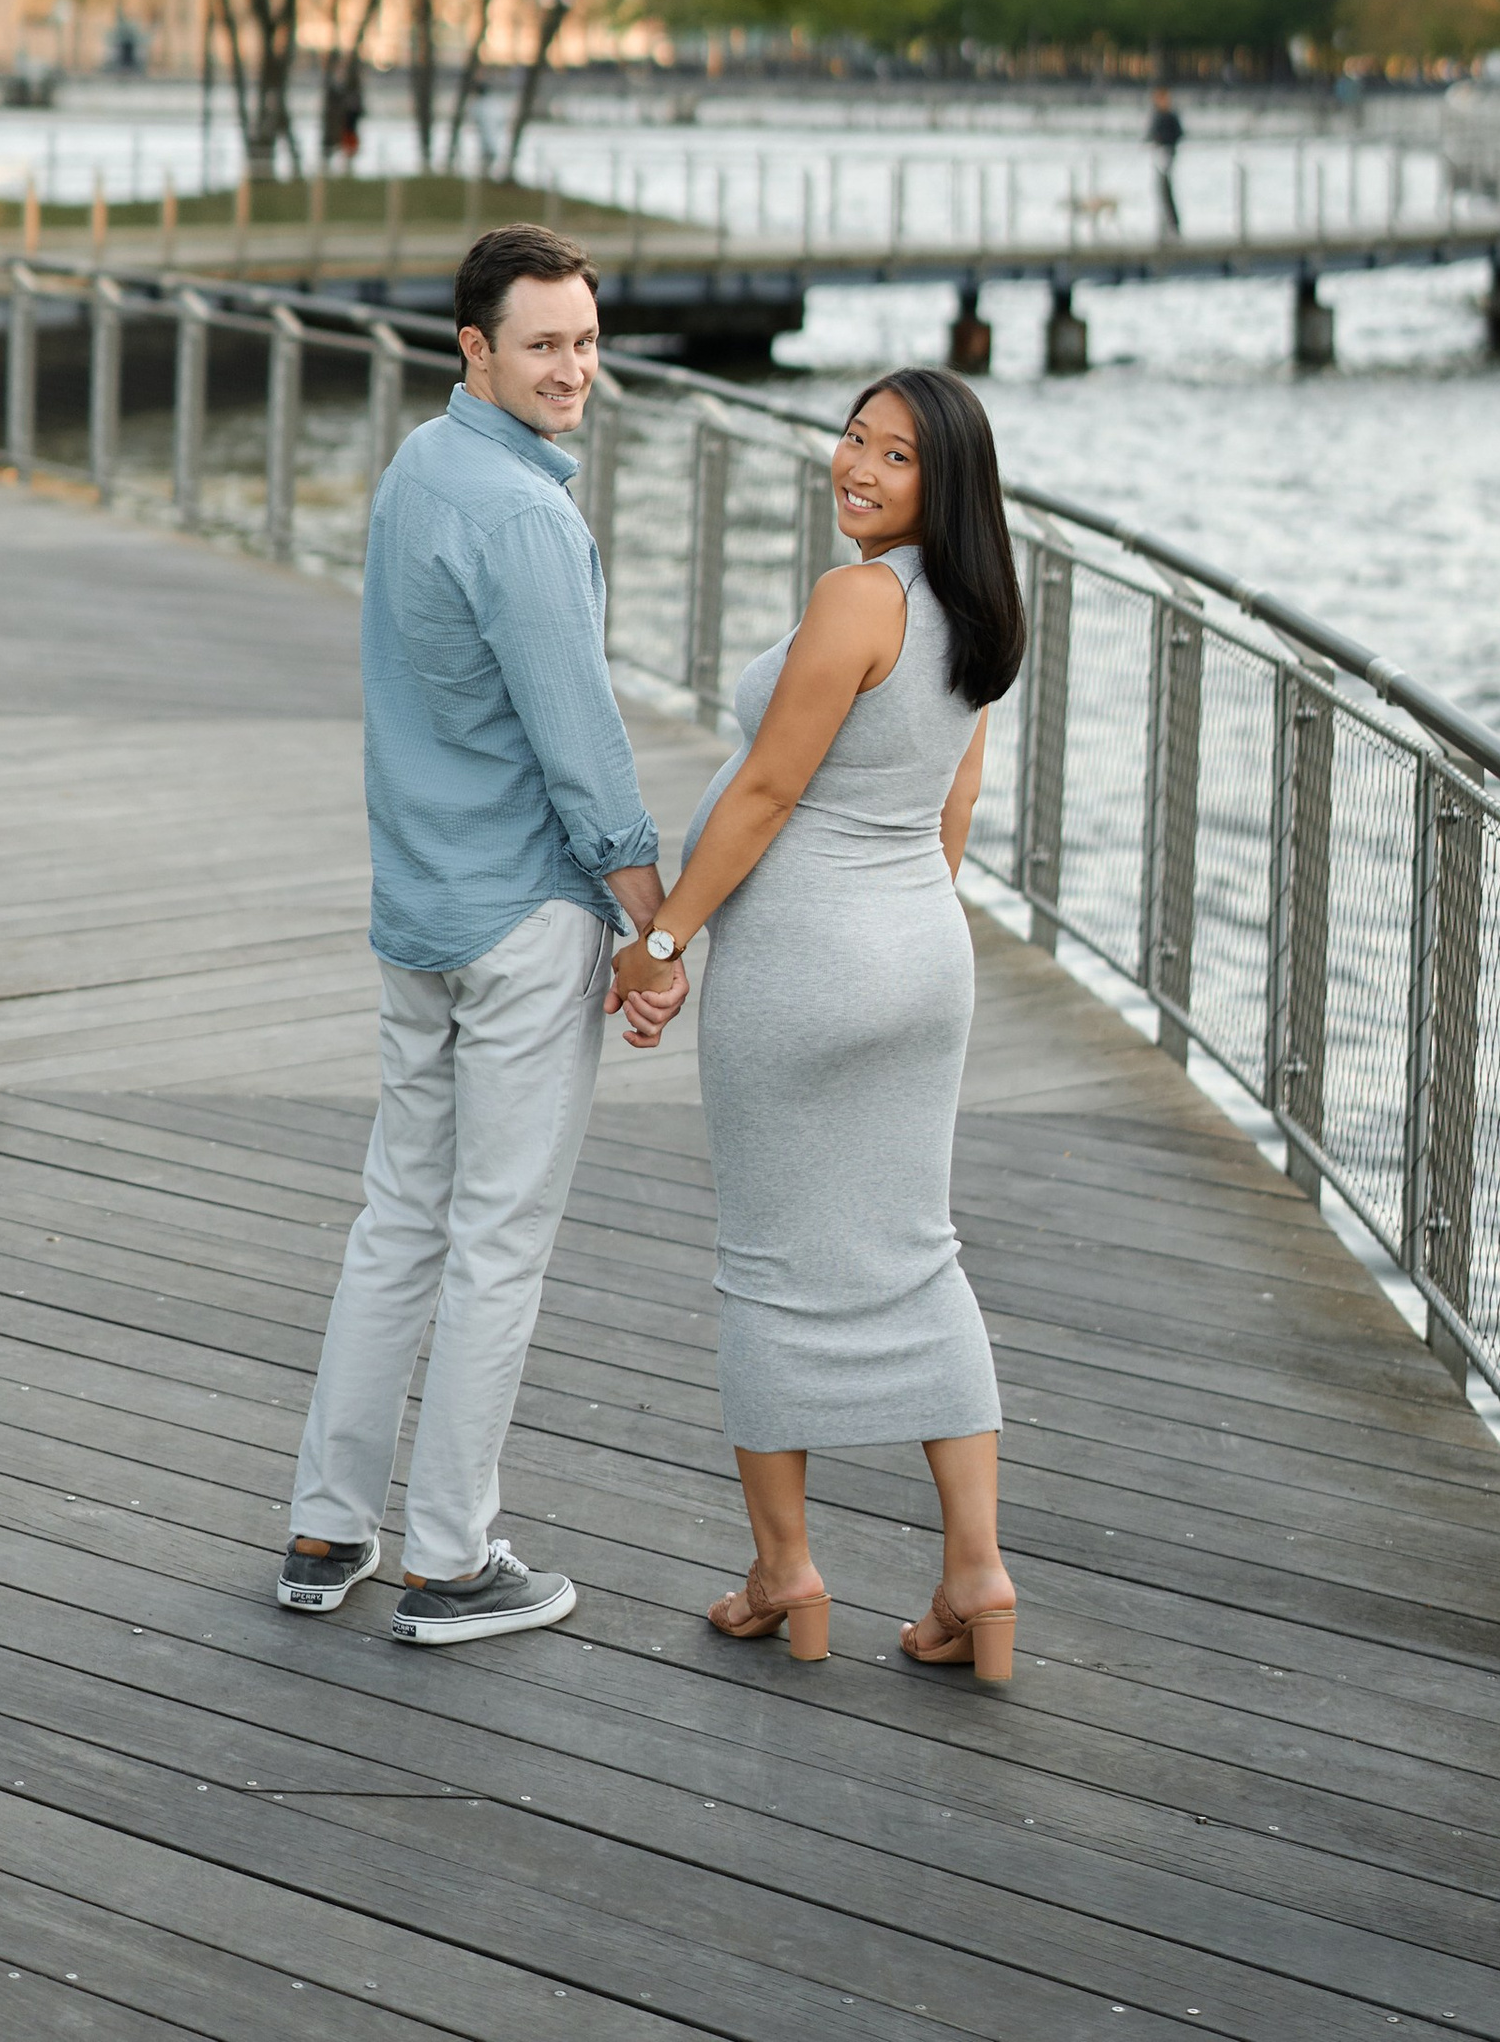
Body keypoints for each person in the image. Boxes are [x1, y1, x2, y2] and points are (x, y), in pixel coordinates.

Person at [278, 224, 686, 1647]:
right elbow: (584, 751)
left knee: (400, 1217)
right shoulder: (525, 516)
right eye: (545, 345)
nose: (575, 368)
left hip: (417, 911)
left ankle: (329, 1526)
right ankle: (454, 1559)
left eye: (585, 340)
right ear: (476, 349)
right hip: (517, 920)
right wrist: (655, 926)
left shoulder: (417, 470)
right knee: (496, 1238)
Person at [611, 366, 1027, 1686]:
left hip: (805, 960)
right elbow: (953, 807)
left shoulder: (857, 599)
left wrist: (662, 940)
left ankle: (785, 1571)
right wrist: (897, 943)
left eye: (894, 456)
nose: (857, 466)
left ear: (939, 483)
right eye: (853, 439)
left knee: (770, 1256)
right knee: (917, 1250)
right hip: (922, 954)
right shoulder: (979, 610)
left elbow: (773, 789)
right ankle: (976, 1578)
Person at [1147, 85, 1184, 236]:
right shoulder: (1157, 116)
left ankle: (1172, 226)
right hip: (1159, 157)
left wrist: (1165, 143)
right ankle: (1164, 225)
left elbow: (1177, 134)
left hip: (1167, 156)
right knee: (1160, 191)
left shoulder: (1169, 116)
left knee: (1166, 191)